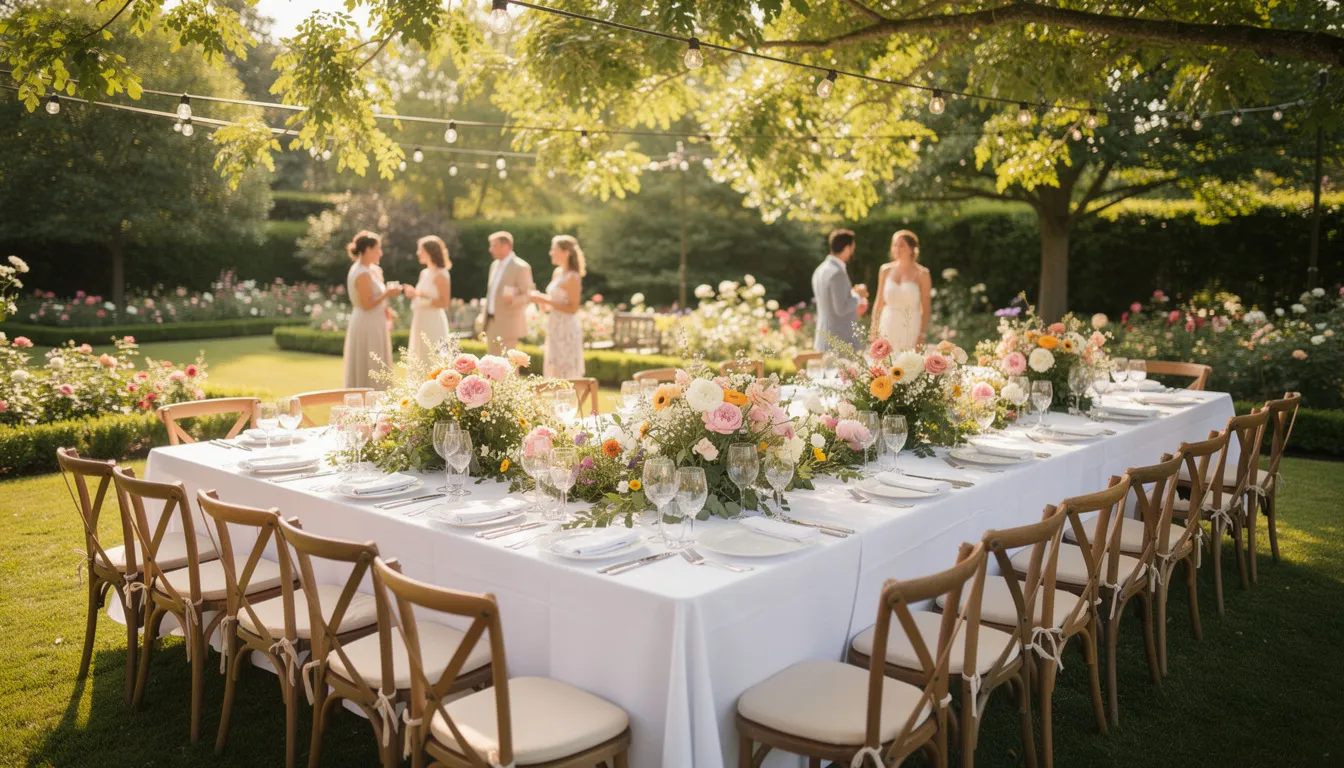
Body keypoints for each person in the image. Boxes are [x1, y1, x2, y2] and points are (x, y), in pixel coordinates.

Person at [343, 230, 401, 388]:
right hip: (366, 323)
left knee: (377, 359)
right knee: (370, 361)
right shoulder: (361, 273)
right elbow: (366, 304)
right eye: (378, 249)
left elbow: (375, 298)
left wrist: (386, 308)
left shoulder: (370, 270)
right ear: (368, 249)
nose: (380, 253)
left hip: (374, 321)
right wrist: (387, 293)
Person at [530, 234, 586, 379]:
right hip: (554, 324)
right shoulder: (557, 273)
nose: (551, 253)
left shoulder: (573, 277)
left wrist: (545, 300)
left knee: (566, 366)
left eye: (553, 249)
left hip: (567, 328)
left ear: (565, 252)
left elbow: (572, 308)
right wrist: (542, 302)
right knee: (553, 365)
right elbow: (555, 303)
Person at [870, 229, 931, 351]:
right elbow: (879, 302)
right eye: (895, 245)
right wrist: (874, 329)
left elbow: (926, 307)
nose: (897, 248)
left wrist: (922, 334)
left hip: (910, 326)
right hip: (887, 323)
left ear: (912, 248)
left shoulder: (922, 274)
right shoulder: (885, 270)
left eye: (901, 245)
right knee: (885, 360)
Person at [811, 229, 868, 352]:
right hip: (840, 340)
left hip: (825, 338)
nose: (852, 252)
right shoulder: (837, 273)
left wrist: (852, 293)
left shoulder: (820, 270)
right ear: (847, 248)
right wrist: (858, 295)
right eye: (852, 248)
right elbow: (841, 308)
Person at [482, 231, 533, 355]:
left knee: (507, 362)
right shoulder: (494, 265)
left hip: (509, 325)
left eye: (494, 246)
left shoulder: (521, 267)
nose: (490, 249)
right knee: (490, 362)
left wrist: (513, 300)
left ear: (506, 247)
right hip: (491, 322)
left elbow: (528, 295)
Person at [404, 235, 453, 362]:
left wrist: (419, 296)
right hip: (420, 319)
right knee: (419, 355)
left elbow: (444, 302)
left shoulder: (441, 274)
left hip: (433, 321)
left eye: (421, 250)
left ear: (430, 252)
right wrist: (414, 294)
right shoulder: (424, 273)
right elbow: (422, 295)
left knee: (433, 356)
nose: (417, 253)